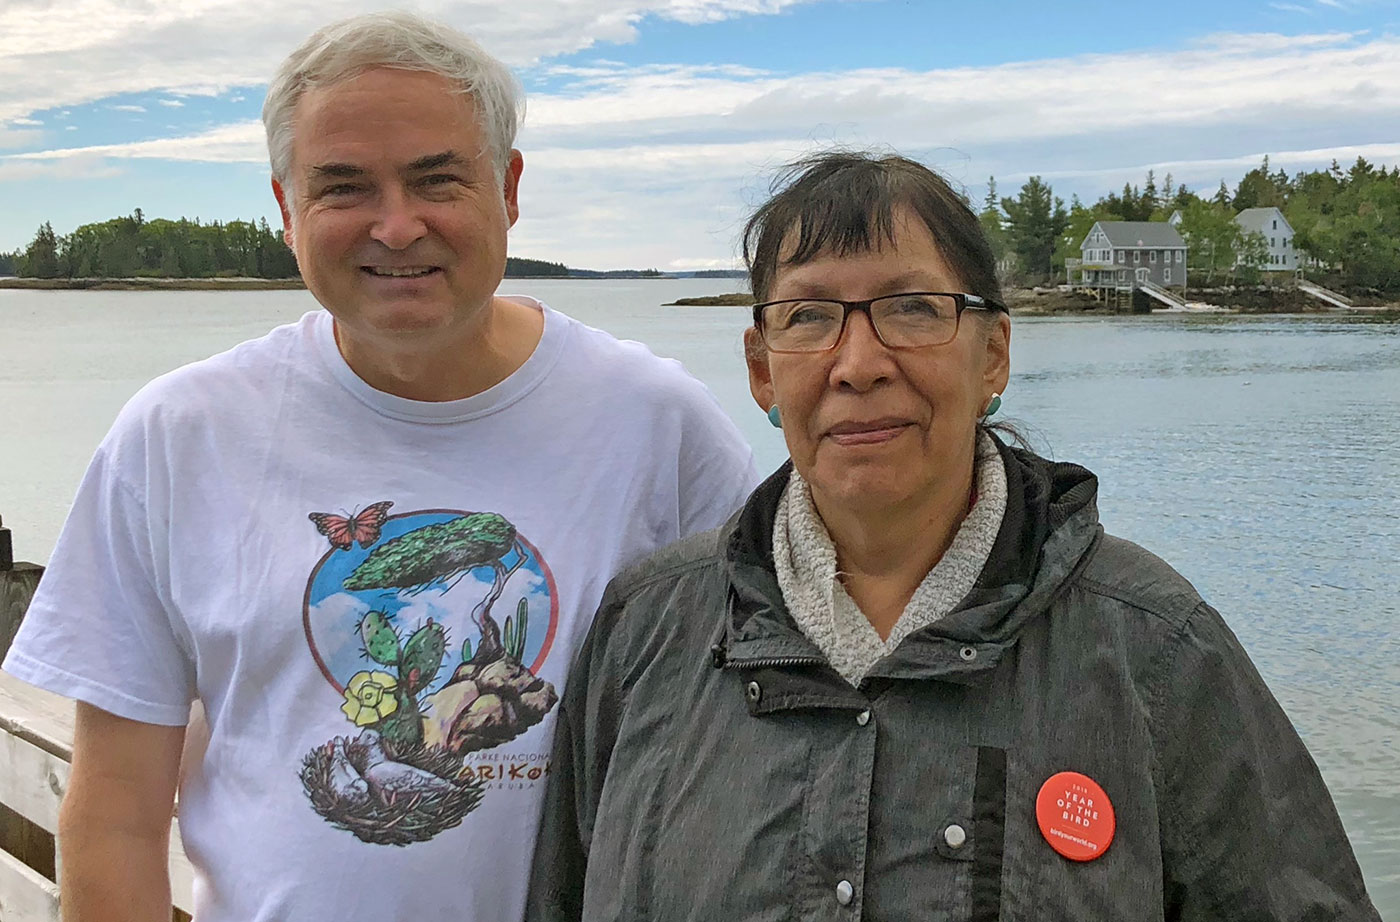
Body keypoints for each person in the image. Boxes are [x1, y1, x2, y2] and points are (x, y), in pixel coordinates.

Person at [2, 11, 758, 921]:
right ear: (286, 209)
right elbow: (118, 811)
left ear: (508, 188)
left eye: (438, 179)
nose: (397, 227)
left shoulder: (657, 427)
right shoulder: (177, 436)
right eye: (344, 187)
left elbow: (748, 744)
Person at [526, 152, 1381, 921]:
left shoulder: (1153, 649)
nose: (858, 363)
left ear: (994, 356)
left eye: (912, 308)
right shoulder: (646, 630)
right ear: (761, 370)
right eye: (811, 317)